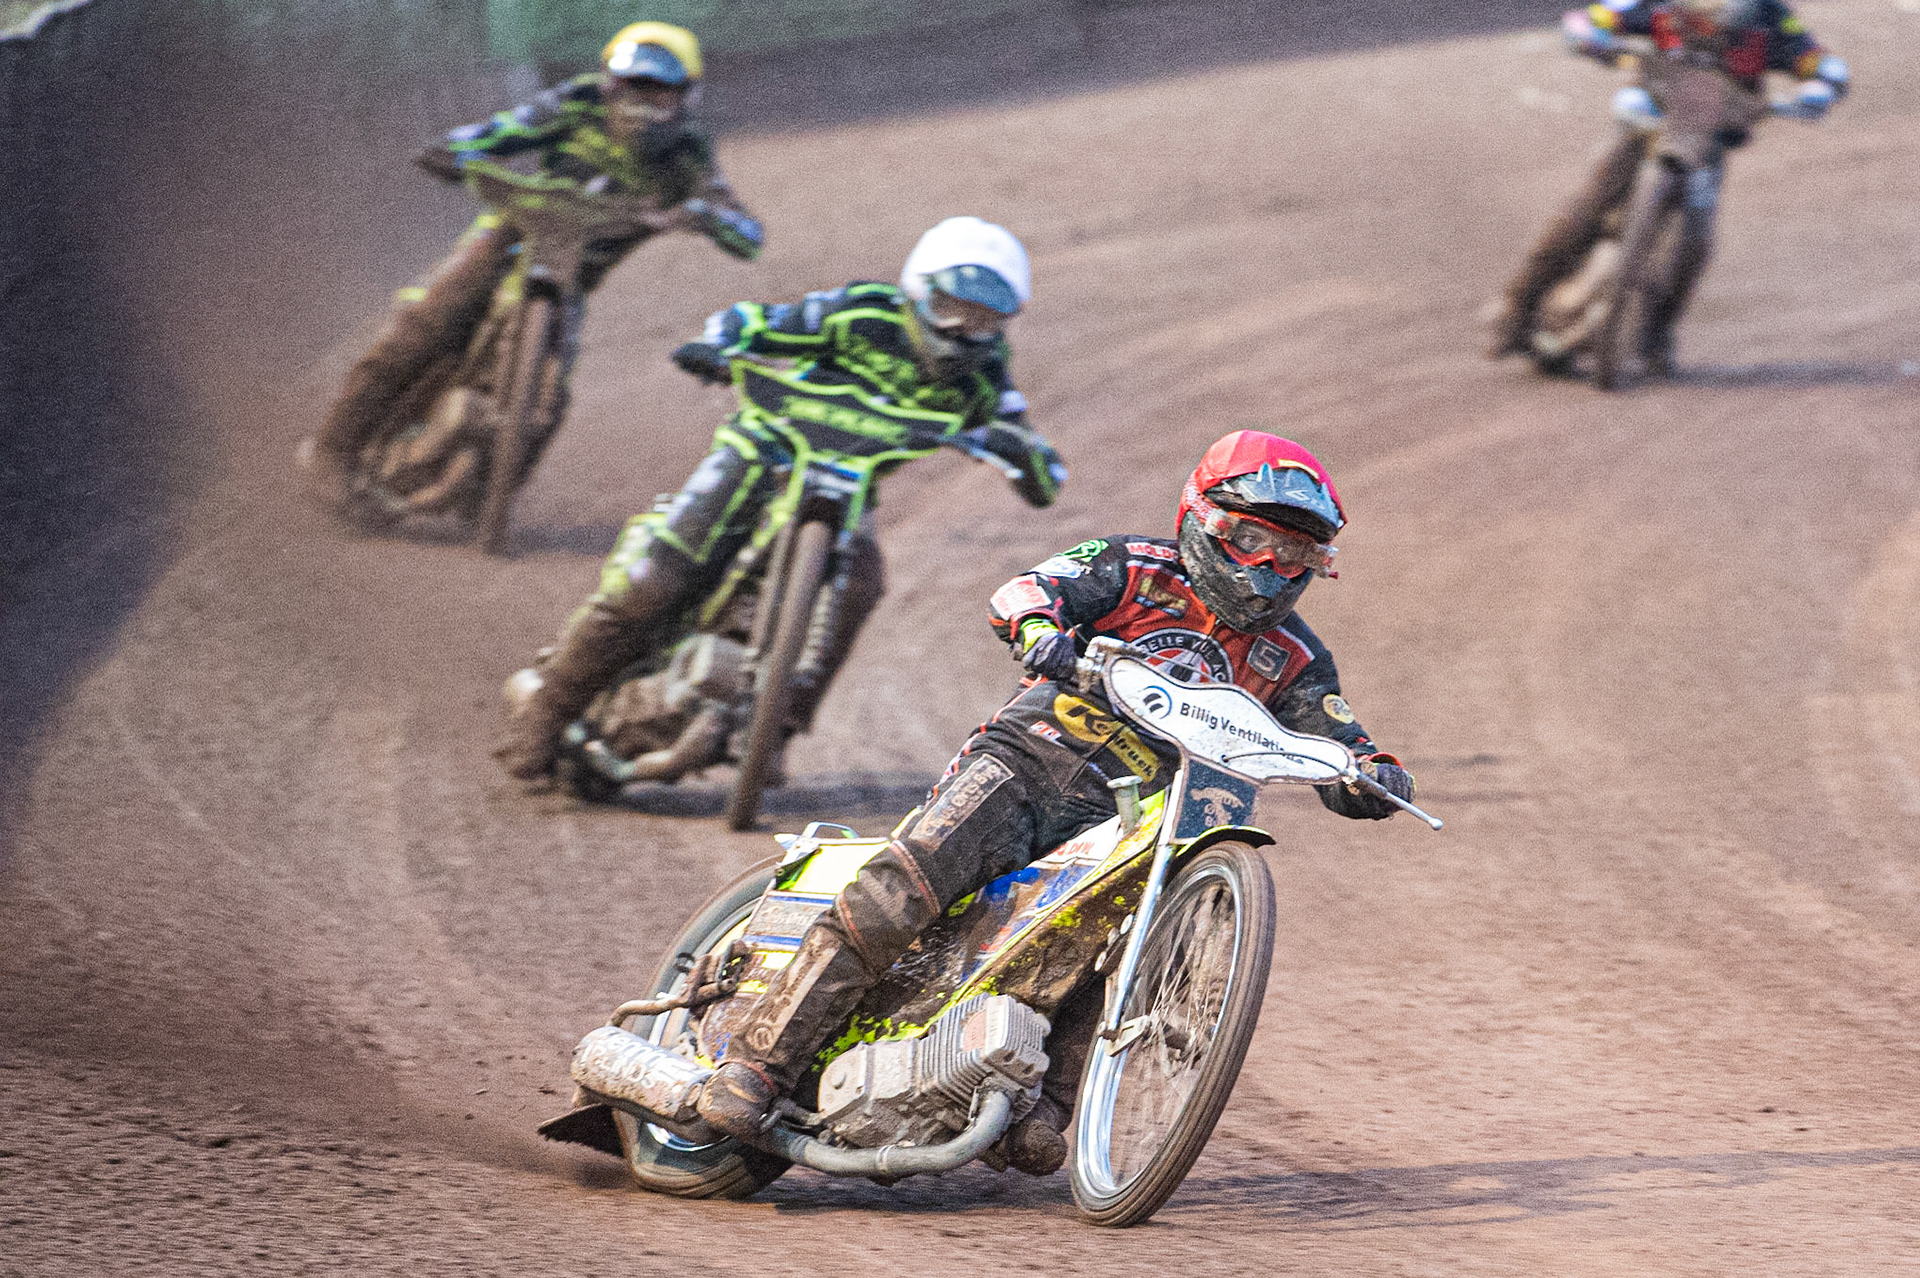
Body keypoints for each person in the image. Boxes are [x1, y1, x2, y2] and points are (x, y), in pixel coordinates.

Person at [692, 430, 1416, 1173]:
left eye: (1294, 557)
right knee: (904, 885)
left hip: (1144, 819)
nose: (1268, 569)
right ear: (1203, 520)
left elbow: (1336, 732)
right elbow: (1025, 592)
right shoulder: (1130, 568)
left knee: (1122, 953)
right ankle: (759, 1062)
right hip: (1030, 760)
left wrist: (1372, 773)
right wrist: (1041, 632)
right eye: (1250, 540)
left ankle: (1047, 1105)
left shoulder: (1294, 657)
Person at [493, 216, 1068, 782]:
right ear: (918, 293)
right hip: (759, 455)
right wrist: (717, 343)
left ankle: (773, 732)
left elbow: (1027, 442)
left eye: (987, 320)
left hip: (847, 486)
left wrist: (1027, 458)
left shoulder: (987, 373)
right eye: (952, 310)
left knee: (861, 585)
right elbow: (756, 321)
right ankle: (545, 713)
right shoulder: (860, 312)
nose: (966, 331)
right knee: (655, 577)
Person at [303, 22, 764, 510]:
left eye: (660, 93)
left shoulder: (690, 151)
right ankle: (335, 448)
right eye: (633, 88)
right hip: (512, 234)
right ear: (611, 84)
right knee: (431, 319)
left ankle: (484, 502)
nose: (644, 106)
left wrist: (709, 216)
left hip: (572, 280)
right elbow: (509, 127)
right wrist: (458, 149)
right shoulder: (578, 101)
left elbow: (745, 229)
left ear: (686, 97)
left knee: (548, 403)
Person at [1484, 0, 1848, 368]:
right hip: (1651, 123)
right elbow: (1599, 16)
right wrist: (1587, 33)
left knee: (1696, 243)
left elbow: (1813, 58)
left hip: (1709, 142)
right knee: (1584, 210)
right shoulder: (1657, 6)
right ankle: (1517, 311)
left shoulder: (1770, 16)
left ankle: (1657, 333)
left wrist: (1824, 82)